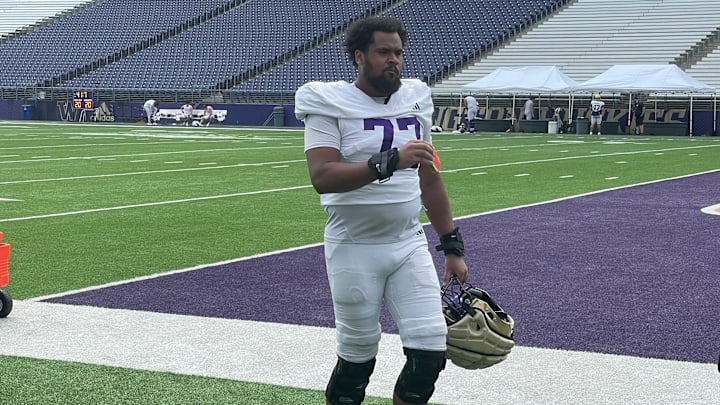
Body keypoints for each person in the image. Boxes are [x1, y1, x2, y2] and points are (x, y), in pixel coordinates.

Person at [295, 16, 468, 405]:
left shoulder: (416, 98)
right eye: (384, 52)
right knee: (357, 359)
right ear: (360, 56)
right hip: (354, 245)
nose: (394, 60)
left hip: (408, 242)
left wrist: (452, 245)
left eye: (399, 53)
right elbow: (322, 175)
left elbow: (430, 179)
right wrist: (389, 161)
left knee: (430, 352)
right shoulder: (327, 102)